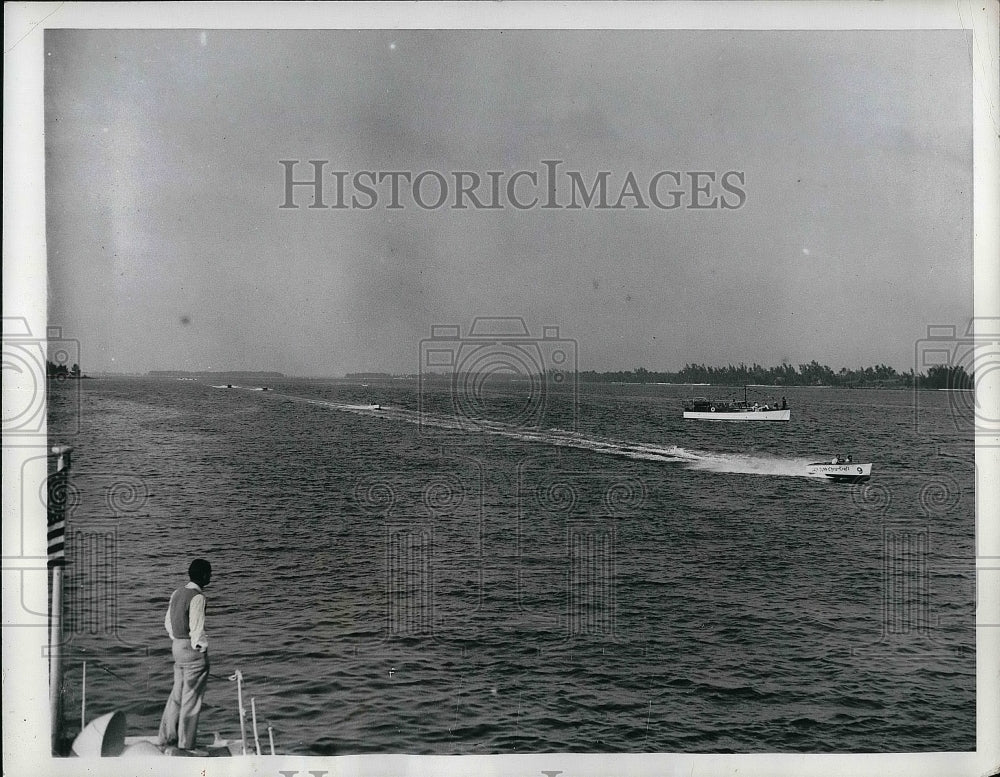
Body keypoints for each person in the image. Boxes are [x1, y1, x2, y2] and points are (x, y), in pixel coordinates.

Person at [158, 559, 212, 755]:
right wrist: (201, 648)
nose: (211, 576)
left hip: (177, 646)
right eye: (209, 573)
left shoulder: (177, 593)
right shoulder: (198, 597)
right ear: (204, 575)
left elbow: (168, 623)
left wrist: (177, 639)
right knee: (191, 699)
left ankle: (167, 738)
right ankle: (186, 745)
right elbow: (197, 629)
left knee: (177, 695)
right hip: (191, 650)